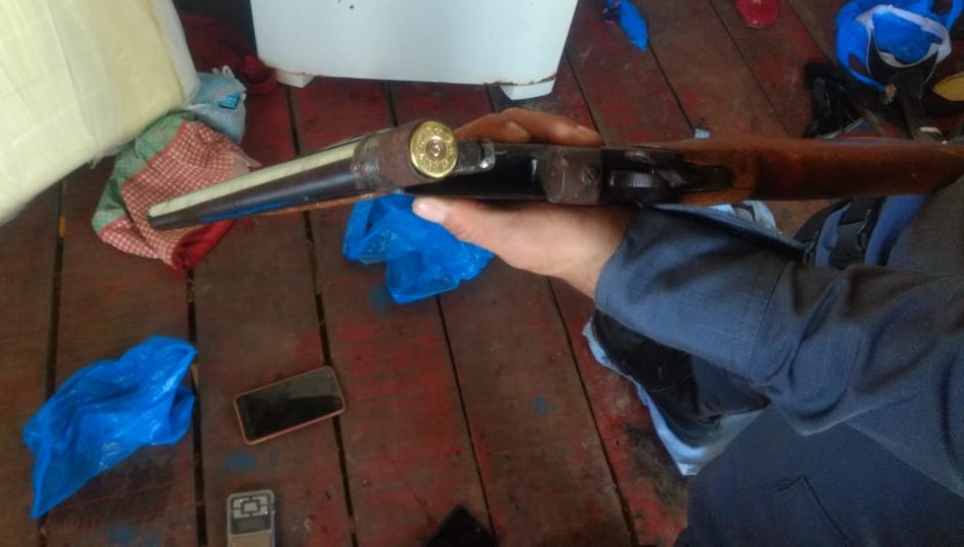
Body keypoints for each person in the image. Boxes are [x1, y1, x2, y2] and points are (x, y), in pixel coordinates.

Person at [411, 108, 964, 546]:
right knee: (826, 275)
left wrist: (621, 258)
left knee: (770, 511)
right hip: (902, 241)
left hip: (887, 484)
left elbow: (915, 371)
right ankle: (695, 392)